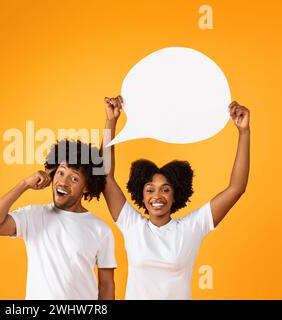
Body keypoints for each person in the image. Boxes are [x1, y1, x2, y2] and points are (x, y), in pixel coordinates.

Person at [102, 95, 250, 299]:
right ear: (142, 196)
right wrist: (111, 120)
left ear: (175, 195)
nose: (157, 196)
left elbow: (236, 188)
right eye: (150, 189)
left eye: (165, 189)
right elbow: (105, 176)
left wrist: (244, 131)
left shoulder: (191, 227)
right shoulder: (131, 224)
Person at [0, 139, 117, 299]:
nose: (63, 182)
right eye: (61, 172)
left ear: (86, 187)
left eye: (74, 179)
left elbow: (106, 285)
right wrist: (24, 184)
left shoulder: (101, 230)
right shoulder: (33, 216)